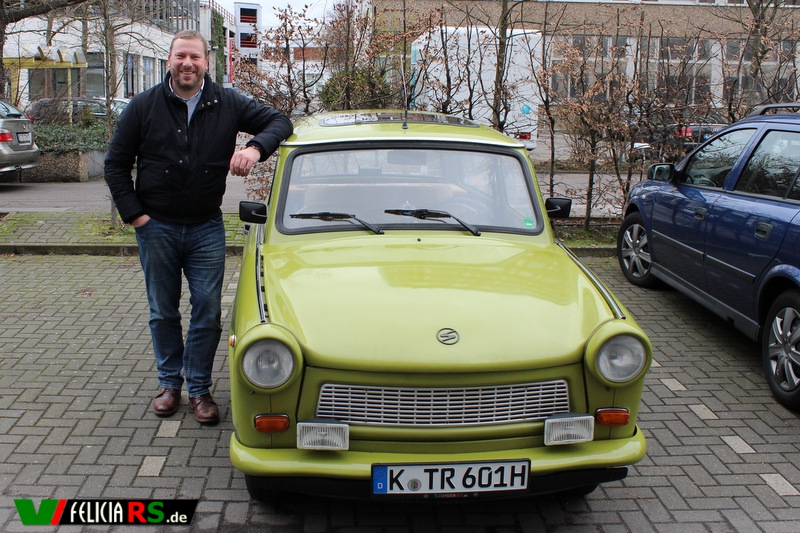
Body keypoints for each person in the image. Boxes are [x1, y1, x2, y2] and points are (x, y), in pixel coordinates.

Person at [104, 29, 293, 425]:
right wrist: (136, 216)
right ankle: (169, 384)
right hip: (156, 227)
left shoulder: (227, 102)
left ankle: (200, 389)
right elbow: (115, 166)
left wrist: (255, 148)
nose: (187, 64)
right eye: (181, 56)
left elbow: (280, 121)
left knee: (207, 311)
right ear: (170, 60)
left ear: (207, 62)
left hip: (206, 227)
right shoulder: (143, 106)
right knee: (163, 311)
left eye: (195, 57)